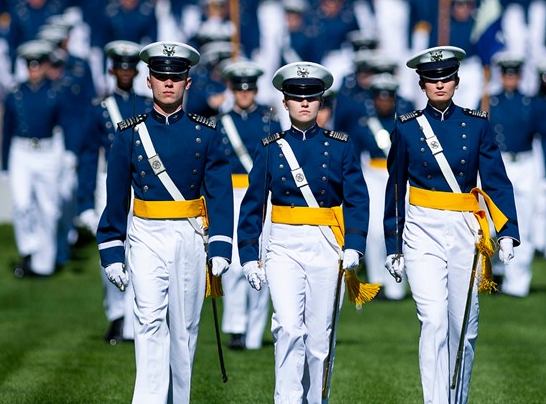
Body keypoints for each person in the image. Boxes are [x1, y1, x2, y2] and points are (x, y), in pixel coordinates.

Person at [97, 41, 232, 404]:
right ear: (148, 80)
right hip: (145, 234)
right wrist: (111, 250)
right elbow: (116, 198)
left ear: (188, 82)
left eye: (176, 76)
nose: (168, 83)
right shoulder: (129, 133)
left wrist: (220, 244)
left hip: (189, 236)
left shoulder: (206, 133)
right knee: (149, 320)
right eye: (161, 76)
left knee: (185, 328)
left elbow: (220, 192)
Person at [383, 46, 519, 404]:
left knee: (463, 327)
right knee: (433, 320)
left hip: (464, 229)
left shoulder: (477, 124)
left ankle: (457, 398)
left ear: (457, 82)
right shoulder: (407, 128)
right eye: (432, 79)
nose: (439, 85)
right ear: (422, 84)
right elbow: (395, 187)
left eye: (445, 78)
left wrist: (506, 231)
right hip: (421, 228)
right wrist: (393, 244)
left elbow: (495, 180)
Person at [236, 61, 374, 404]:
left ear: (320, 102)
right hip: (283, 243)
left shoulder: (340, 146)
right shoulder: (270, 148)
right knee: (286, 326)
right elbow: (253, 205)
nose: (304, 103)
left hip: (327, 244)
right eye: (296, 97)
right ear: (284, 102)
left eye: (312, 97)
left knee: (319, 337)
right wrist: (250, 256)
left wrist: (355, 243)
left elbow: (358, 198)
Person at [74, 40, 150, 344]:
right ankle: (116, 315)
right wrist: (84, 201)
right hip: (111, 183)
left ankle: (137, 318)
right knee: (111, 250)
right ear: (111, 69)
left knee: (143, 251)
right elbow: (89, 156)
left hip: (144, 184)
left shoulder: (147, 105)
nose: (125, 73)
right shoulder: (99, 109)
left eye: (130, 68)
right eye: (120, 67)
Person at [1, 40, 76, 278]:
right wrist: (4, 165)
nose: (34, 69)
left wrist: (68, 153)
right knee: (21, 204)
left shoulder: (57, 92)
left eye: (39, 64)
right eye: (30, 65)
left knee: (48, 208)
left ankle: (44, 264)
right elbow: (6, 130)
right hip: (21, 151)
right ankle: (29, 249)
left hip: (47, 151)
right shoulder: (15, 94)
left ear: (46, 66)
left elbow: (67, 124)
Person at [216, 60, 277, 351]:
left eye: (249, 89)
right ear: (231, 90)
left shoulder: (269, 120)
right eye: (239, 89)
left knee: (260, 260)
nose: (244, 94)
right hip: (230, 193)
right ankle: (236, 328)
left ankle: (254, 332)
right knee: (234, 267)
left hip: (259, 195)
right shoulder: (220, 122)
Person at [487, 52, 546, 297]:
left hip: (525, 163)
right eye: (506, 74)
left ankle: (518, 283)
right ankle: (494, 272)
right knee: (493, 224)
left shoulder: (531, 103)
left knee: (522, 224)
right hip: (498, 163)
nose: (510, 78)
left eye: (514, 74)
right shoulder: (489, 101)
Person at [349, 72, 412, 300]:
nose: (384, 102)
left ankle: (397, 286)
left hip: (399, 177)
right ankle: (376, 282)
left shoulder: (405, 124)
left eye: (388, 98)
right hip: (374, 177)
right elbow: (355, 157)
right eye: (379, 98)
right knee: (375, 232)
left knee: (400, 232)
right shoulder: (364, 125)